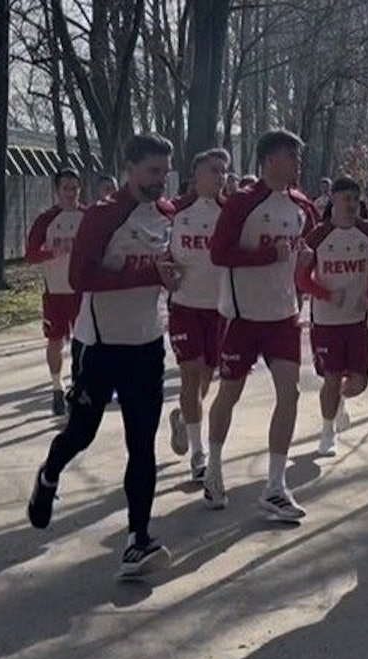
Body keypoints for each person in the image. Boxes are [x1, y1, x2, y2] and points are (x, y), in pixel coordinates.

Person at [27, 134, 180, 578]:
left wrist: (170, 277)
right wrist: (149, 271)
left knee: (142, 443)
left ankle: (138, 539)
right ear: (130, 168)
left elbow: (164, 267)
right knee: (81, 433)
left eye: (164, 171)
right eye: (152, 171)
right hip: (99, 346)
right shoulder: (103, 216)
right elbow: (81, 278)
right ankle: (48, 475)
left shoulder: (168, 216)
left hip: (147, 344)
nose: (160, 181)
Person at [204, 129, 316, 521]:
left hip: (283, 315)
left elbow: (296, 257)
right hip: (241, 315)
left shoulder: (301, 206)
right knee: (229, 395)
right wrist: (269, 254)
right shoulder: (242, 203)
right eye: (292, 156)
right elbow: (220, 254)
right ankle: (213, 468)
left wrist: (302, 263)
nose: (298, 164)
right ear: (270, 160)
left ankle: (275, 486)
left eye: (299, 157)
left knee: (290, 393)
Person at [297, 178, 368, 456]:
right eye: (345, 199)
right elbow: (301, 278)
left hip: (356, 320)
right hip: (326, 321)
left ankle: (340, 402)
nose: (351, 204)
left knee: (358, 383)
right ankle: (327, 434)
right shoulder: (317, 236)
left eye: (354, 199)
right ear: (333, 201)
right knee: (332, 378)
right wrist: (324, 294)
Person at [166, 148, 229, 481]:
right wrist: (166, 269)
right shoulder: (174, 211)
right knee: (190, 375)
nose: (219, 177)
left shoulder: (231, 212)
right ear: (195, 175)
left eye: (223, 171)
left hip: (219, 310)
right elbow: (156, 251)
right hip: (185, 307)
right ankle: (198, 454)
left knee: (205, 380)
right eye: (213, 171)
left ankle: (182, 418)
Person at [25, 168, 86, 416]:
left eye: (75, 188)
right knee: (55, 341)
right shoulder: (46, 219)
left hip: (82, 292)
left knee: (83, 343)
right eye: (66, 188)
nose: (71, 193)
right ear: (57, 190)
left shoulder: (89, 216)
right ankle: (56, 388)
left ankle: (78, 387)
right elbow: (30, 255)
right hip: (56, 292)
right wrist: (52, 253)